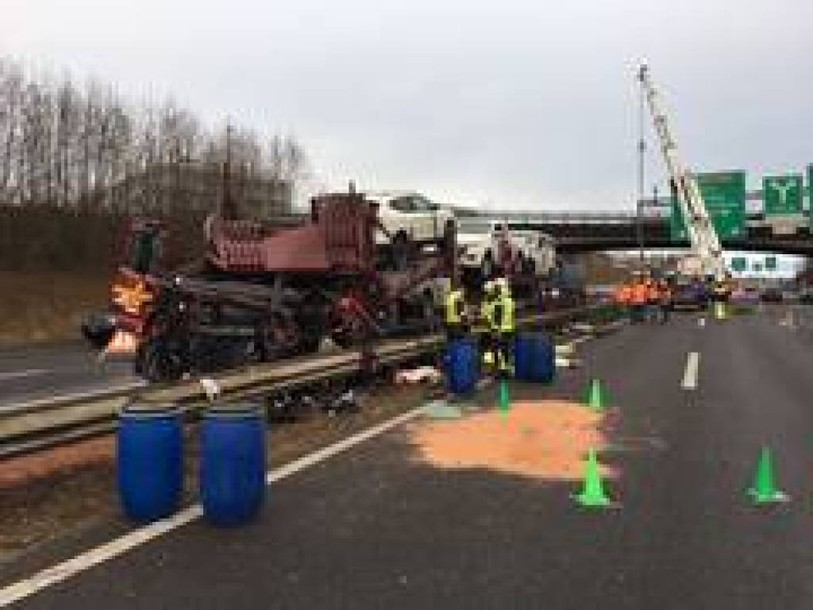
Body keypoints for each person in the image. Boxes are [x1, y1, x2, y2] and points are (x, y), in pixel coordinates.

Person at [491, 279, 516, 377]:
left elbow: (498, 317)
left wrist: (497, 330)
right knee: (507, 350)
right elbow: (512, 315)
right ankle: (508, 369)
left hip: (501, 329)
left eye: (497, 287)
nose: (495, 289)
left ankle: (501, 371)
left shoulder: (499, 301)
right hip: (509, 328)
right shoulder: (510, 300)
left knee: (500, 350)